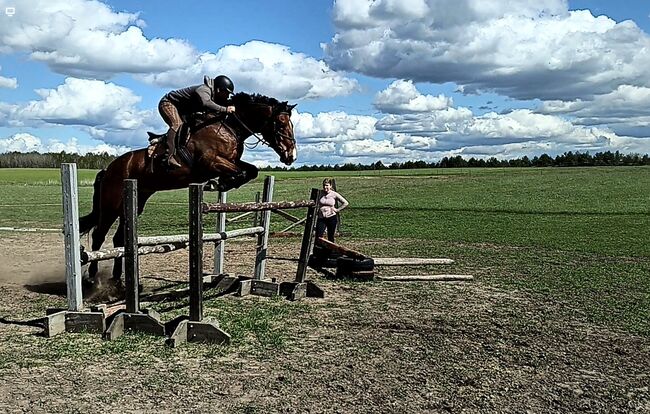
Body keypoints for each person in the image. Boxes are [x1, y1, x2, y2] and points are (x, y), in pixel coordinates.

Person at [157, 75, 236, 168]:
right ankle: (168, 157)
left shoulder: (214, 94)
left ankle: (165, 140)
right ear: (219, 89)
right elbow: (206, 103)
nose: (227, 96)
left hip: (182, 109)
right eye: (227, 93)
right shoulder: (203, 90)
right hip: (168, 103)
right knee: (177, 124)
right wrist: (225, 109)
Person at [316, 178, 349, 243]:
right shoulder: (320, 193)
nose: (325, 187)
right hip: (321, 218)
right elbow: (314, 202)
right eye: (324, 185)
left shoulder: (334, 194)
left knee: (330, 236)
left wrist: (337, 210)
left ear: (330, 186)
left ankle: (330, 252)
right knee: (319, 236)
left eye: (327, 185)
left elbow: (345, 203)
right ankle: (318, 251)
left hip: (331, 217)